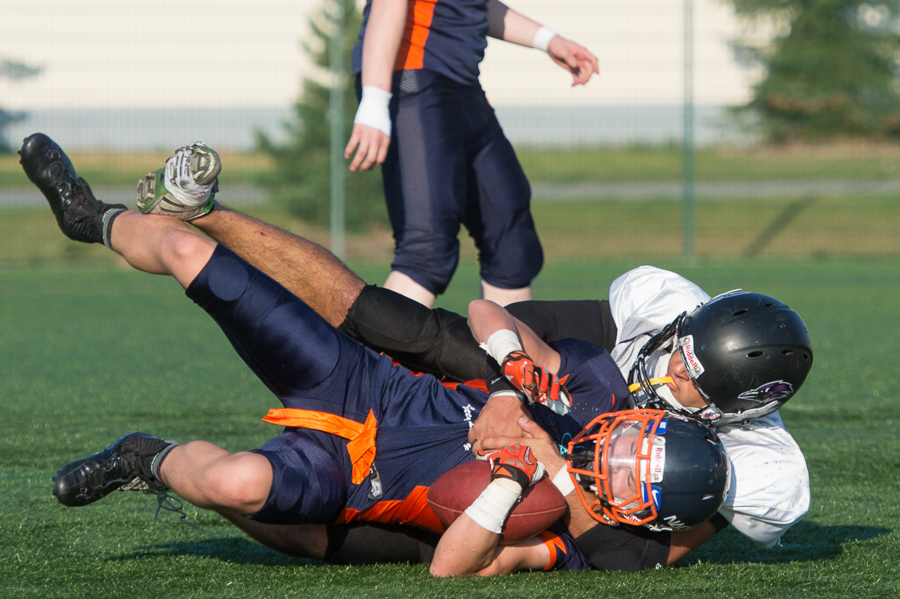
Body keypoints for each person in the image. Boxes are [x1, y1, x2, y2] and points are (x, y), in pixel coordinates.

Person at [20, 133, 729, 576]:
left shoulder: (565, 532)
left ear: (640, 513)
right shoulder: (596, 383)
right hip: (366, 384)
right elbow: (492, 315)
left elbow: (452, 570)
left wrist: (516, 477)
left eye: (628, 475)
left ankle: (145, 457)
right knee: (187, 251)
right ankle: (93, 217)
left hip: (359, 479)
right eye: (634, 442)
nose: (615, 454)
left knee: (239, 482)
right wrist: (510, 382)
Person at [343, 0, 599, 307]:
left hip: (462, 86)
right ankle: (369, 342)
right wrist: (374, 99)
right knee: (425, 252)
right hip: (412, 78)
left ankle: (505, 340)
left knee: (512, 245)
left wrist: (549, 40)